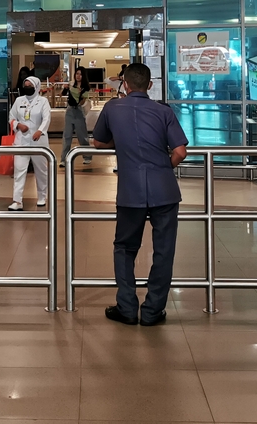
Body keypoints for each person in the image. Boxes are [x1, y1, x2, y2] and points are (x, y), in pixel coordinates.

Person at [92, 62, 188, 326]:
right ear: (150, 85)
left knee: (125, 248)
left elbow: (98, 142)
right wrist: (163, 167)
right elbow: (180, 151)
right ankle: (152, 311)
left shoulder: (112, 108)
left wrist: (121, 140)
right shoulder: (163, 111)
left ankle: (126, 308)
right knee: (164, 251)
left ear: (124, 84)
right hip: (165, 191)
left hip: (130, 191)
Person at [8, 75, 51, 211]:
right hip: (21, 141)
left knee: (41, 171)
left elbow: (46, 118)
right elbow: (11, 117)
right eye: (25, 86)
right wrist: (18, 125)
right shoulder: (19, 100)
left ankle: (42, 196)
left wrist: (40, 131)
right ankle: (17, 201)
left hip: (38, 142)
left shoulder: (43, 101)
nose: (27, 88)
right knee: (19, 170)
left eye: (30, 86)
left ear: (36, 87)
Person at [60, 67, 93, 169]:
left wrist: (79, 93)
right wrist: (65, 88)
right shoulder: (71, 84)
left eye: (80, 74)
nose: (78, 76)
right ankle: (64, 159)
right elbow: (61, 94)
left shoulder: (85, 88)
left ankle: (87, 156)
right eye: (77, 74)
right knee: (67, 135)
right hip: (70, 111)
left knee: (82, 136)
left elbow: (82, 103)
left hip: (79, 111)